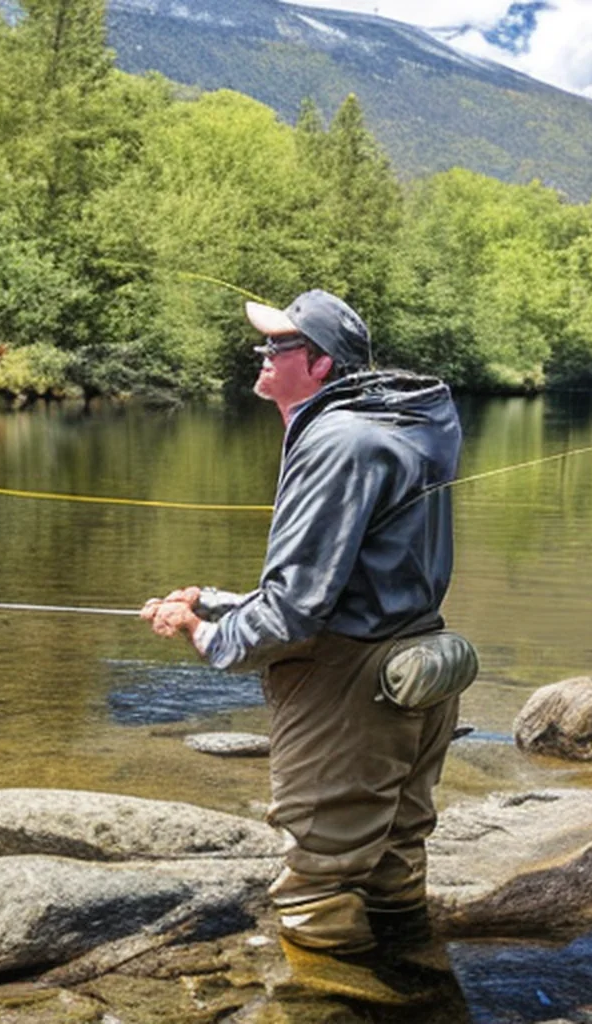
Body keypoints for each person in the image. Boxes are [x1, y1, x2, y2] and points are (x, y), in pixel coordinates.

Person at [141, 289, 463, 978]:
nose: (261, 355)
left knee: (318, 890)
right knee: (393, 862)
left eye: (276, 346)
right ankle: (420, 986)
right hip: (417, 667)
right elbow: (356, 570)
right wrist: (221, 601)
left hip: (349, 687)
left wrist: (207, 634)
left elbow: (295, 611)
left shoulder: (338, 440)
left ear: (319, 363)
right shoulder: (395, 424)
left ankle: (343, 1000)